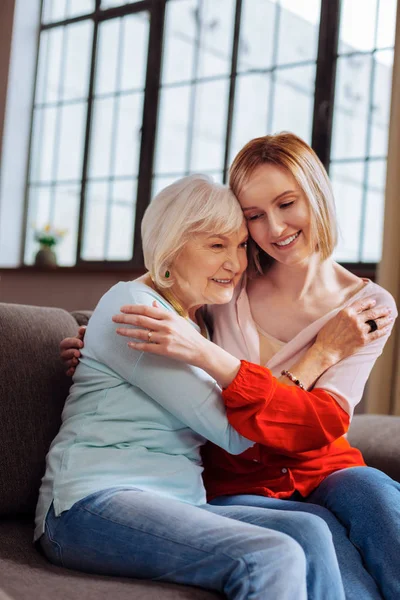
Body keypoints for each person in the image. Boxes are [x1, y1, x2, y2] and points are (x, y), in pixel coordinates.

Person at [88, 134, 399, 600]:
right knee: (318, 538)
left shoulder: (369, 306)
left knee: (375, 493)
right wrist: (93, 332)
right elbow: (159, 284)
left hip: (323, 466)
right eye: (254, 215)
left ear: (316, 192)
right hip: (237, 476)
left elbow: (324, 422)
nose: (273, 228)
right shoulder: (228, 279)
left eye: (286, 203)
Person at [39, 174, 352, 600]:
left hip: (181, 501)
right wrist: (317, 357)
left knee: (310, 528)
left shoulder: (193, 324)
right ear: (171, 248)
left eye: (240, 245)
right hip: (89, 506)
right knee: (271, 555)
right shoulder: (138, 311)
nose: (236, 263)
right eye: (216, 245)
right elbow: (235, 433)